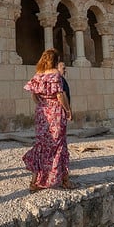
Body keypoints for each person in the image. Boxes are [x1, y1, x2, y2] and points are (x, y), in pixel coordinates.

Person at [22, 48, 75, 193]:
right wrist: (68, 110)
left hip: (41, 112)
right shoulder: (56, 75)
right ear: (55, 61)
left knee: (42, 144)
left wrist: (42, 104)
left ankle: (35, 182)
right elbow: (60, 95)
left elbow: (33, 95)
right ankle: (64, 180)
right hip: (55, 113)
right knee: (58, 145)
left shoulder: (37, 76)